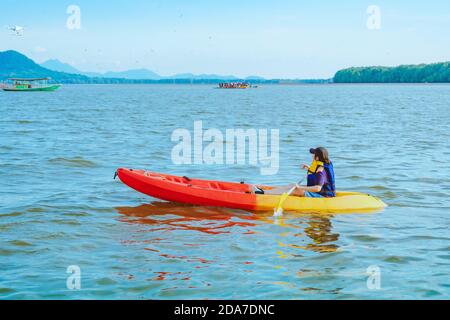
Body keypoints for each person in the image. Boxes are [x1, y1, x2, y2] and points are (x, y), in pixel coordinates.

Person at [252, 147, 336, 198]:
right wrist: (309, 168)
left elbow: (318, 188)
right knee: (292, 185)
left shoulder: (321, 170)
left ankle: (262, 193)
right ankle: (265, 191)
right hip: (319, 192)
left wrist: (300, 188)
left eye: (313, 154)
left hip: (324, 196)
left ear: (317, 158)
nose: (312, 155)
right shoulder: (320, 166)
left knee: (296, 190)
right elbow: (318, 177)